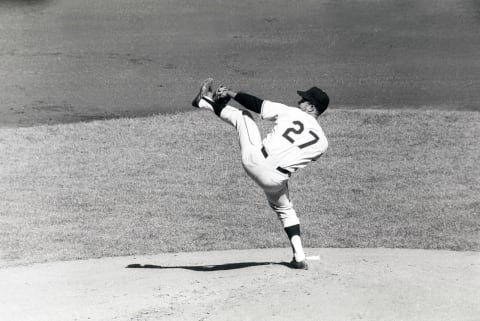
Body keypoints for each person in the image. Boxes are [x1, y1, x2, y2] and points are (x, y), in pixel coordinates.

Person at [191, 78, 329, 269]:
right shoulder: (322, 143)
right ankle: (299, 257)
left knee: (243, 117)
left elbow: (257, 104)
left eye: (304, 100)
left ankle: (205, 101)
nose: (300, 102)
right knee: (286, 210)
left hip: (255, 160)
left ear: (312, 107)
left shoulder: (292, 112)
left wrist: (230, 93)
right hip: (275, 180)